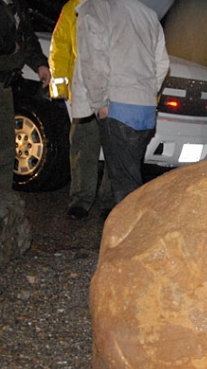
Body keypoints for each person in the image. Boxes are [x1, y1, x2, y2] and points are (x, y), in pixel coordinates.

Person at [73, 0, 168, 207]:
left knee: (125, 188)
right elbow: (162, 64)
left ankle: (132, 236)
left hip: (117, 107)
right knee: (130, 175)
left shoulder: (96, 7)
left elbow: (94, 60)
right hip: (145, 110)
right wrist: (146, 93)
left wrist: (99, 102)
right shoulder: (147, 14)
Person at [49, 0, 112, 219]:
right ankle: (80, 201)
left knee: (116, 148)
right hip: (84, 90)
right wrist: (61, 88)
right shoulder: (73, 7)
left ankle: (110, 203)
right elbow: (60, 47)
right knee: (82, 146)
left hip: (115, 91)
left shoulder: (124, 6)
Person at [0, 0, 51, 192]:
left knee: (6, 146)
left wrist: (40, 65)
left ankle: (4, 200)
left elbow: (27, 37)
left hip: (5, 83)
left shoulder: (17, 5)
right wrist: (7, 46)